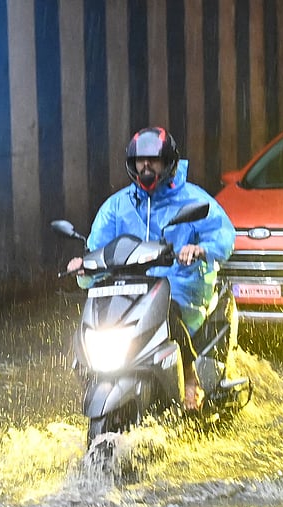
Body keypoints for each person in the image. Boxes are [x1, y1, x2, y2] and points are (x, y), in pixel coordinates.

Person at [67, 127, 235, 411]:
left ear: (167, 162)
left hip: (181, 285)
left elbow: (223, 235)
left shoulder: (192, 200)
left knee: (172, 312)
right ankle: (93, 378)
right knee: (91, 326)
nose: (145, 166)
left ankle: (190, 377)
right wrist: (85, 265)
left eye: (153, 160)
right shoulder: (116, 206)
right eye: (139, 161)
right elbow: (97, 247)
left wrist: (200, 249)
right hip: (131, 289)